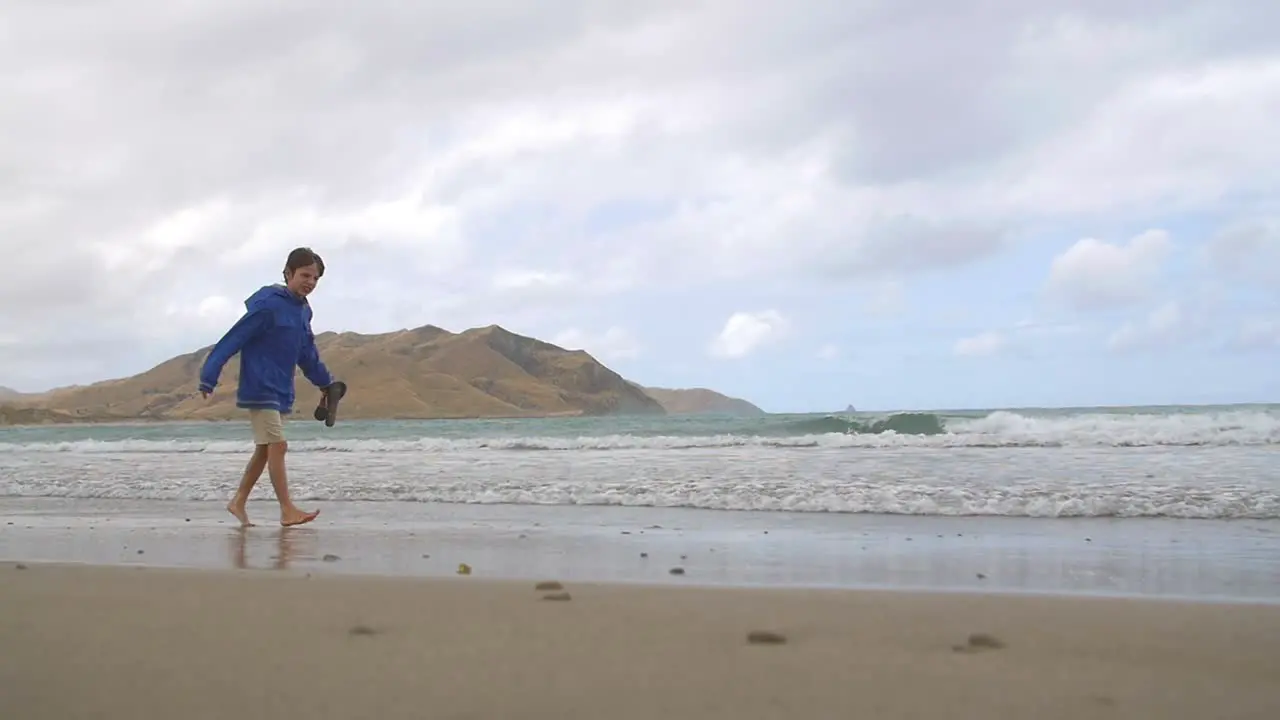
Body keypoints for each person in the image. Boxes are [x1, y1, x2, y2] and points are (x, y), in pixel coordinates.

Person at [197, 247, 338, 528]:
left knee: (264, 450)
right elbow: (234, 339)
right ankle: (287, 510)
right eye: (304, 275)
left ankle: (238, 501)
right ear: (288, 273)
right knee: (278, 445)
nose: (310, 282)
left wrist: (325, 383)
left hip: (280, 388)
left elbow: (306, 353)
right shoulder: (268, 306)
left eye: (315, 278)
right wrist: (209, 374)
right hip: (259, 385)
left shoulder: (303, 312)